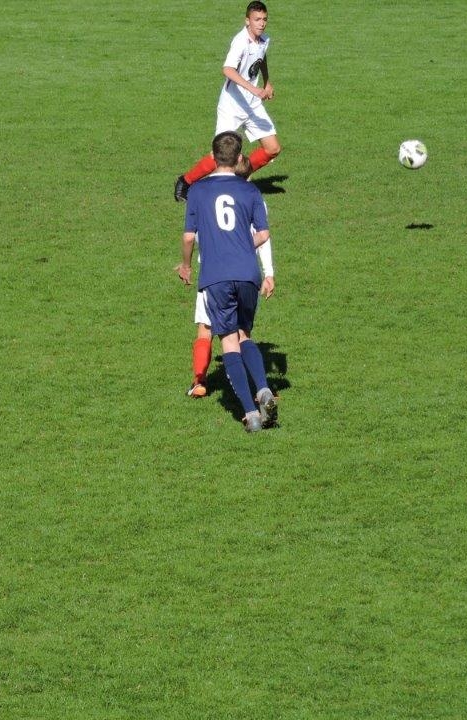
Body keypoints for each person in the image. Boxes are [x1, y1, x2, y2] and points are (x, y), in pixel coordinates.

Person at [177, 132, 277, 432]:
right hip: (247, 272)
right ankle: (263, 388)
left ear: (212, 156)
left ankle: (250, 413)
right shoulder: (250, 190)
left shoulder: (198, 190)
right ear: (239, 158)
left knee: (229, 341)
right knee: (245, 334)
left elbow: (188, 237)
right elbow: (263, 234)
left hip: (216, 275)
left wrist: (185, 265)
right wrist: (242, 248)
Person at [174, 1, 282, 202]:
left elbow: (261, 58)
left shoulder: (263, 40)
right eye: (257, 19)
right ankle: (185, 182)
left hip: (252, 104)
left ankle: (239, 178)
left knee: (272, 148)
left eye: (264, 19)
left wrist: (267, 81)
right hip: (232, 105)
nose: (261, 23)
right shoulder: (240, 41)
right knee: (220, 156)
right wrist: (253, 88)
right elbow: (227, 69)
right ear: (247, 21)